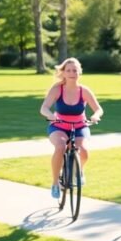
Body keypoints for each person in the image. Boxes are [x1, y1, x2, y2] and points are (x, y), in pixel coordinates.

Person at [40, 58, 103, 199]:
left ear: (79, 72)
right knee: (60, 146)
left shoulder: (84, 91)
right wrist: (51, 116)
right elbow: (44, 108)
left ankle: (78, 171)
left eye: (75, 70)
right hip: (59, 126)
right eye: (68, 70)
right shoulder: (57, 89)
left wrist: (95, 116)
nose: (72, 73)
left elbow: (98, 109)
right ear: (63, 73)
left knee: (84, 151)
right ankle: (55, 183)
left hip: (80, 126)